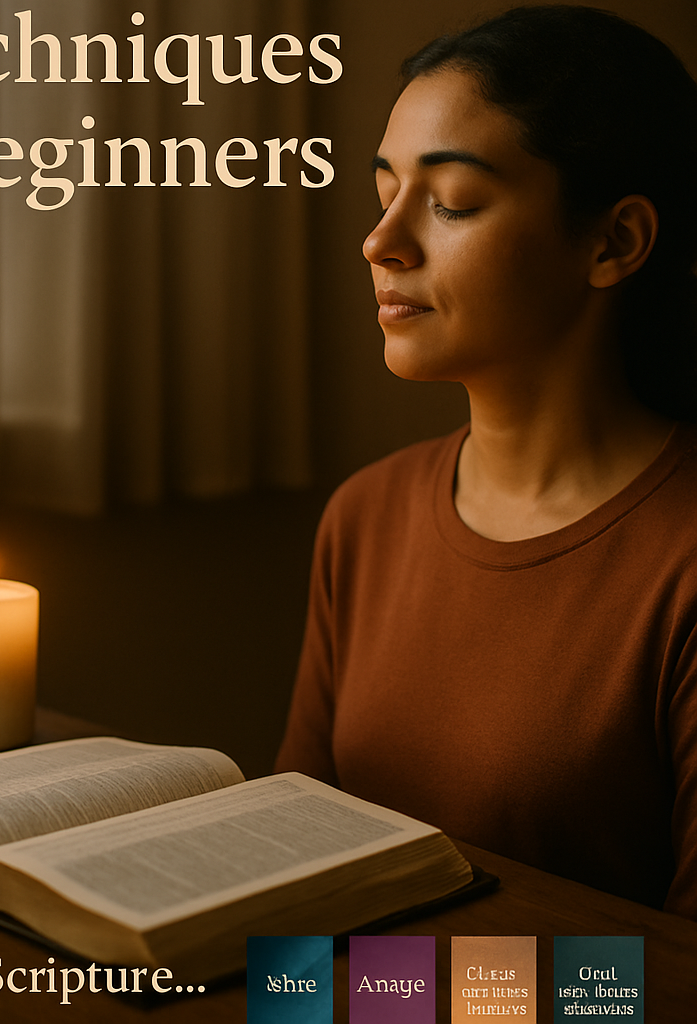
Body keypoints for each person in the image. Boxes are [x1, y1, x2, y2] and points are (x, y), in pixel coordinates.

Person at [275, 5, 697, 919]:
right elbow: (291, 870)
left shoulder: (681, 560)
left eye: (451, 201)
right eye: (382, 190)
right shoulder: (366, 516)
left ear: (614, 241)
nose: (380, 242)